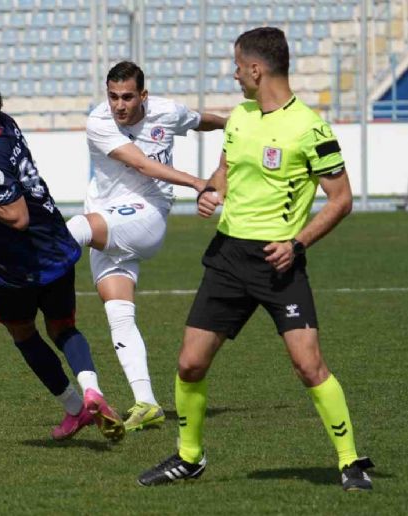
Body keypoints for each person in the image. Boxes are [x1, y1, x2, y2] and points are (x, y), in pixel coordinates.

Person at [138, 27, 375, 491]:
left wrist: (297, 244)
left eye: (236, 65)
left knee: (309, 366)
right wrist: (210, 193)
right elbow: (225, 172)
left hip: (279, 260)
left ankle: (350, 462)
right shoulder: (241, 118)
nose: (232, 74)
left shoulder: (310, 127)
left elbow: (341, 198)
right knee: (189, 364)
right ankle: (189, 457)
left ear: (255, 69)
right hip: (228, 256)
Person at [0, 62, 227, 432]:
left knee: (75, 229)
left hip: (146, 216)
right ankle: (147, 402)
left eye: (128, 97)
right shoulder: (99, 122)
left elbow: (203, 122)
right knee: (119, 314)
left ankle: (7, 261)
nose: (120, 105)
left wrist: (236, 129)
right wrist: (199, 182)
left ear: (144, 96)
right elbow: (139, 162)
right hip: (110, 221)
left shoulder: (168, 112)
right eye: (113, 96)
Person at [0, 73, 125, 442]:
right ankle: (93, 390)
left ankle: (75, 409)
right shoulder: (7, 127)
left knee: (23, 333)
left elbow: (17, 217)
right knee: (63, 329)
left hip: (17, 267)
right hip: (56, 248)